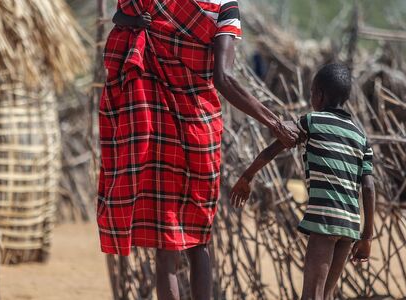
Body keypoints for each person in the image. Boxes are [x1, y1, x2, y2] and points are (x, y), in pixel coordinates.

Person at [97, 0, 299, 300]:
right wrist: (274, 122)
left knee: (167, 249)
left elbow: (121, 16)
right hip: (199, 133)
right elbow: (224, 78)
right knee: (198, 242)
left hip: (158, 127)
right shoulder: (225, 7)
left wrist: (142, 24)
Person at [230, 63, 376, 300]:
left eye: (311, 94)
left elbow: (271, 151)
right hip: (350, 225)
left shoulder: (311, 122)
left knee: (311, 295)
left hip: (324, 219)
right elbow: (368, 189)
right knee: (326, 295)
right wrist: (367, 237)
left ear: (319, 94)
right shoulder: (361, 137)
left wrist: (247, 176)